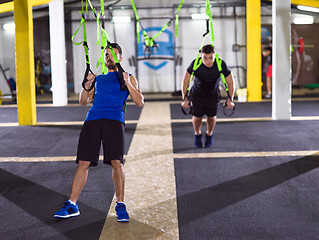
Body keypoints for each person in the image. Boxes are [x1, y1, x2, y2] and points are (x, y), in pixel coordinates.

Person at [53, 43, 144, 222]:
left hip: (114, 120)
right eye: (106, 54)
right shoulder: (99, 78)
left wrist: (127, 83)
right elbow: (83, 102)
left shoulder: (129, 77)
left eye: (112, 54)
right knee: (83, 162)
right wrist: (87, 86)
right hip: (92, 120)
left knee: (117, 162)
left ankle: (120, 205)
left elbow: (139, 101)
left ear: (120, 58)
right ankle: (72, 204)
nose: (108, 57)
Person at [181, 44, 235, 148]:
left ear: (214, 55)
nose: (207, 61)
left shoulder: (220, 64)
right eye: (204, 58)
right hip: (197, 94)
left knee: (211, 117)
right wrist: (185, 98)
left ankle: (209, 134)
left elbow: (231, 82)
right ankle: (197, 133)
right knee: (197, 117)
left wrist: (230, 99)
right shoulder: (196, 63)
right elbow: (186, 81)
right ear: (201, 56)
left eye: (210, 58)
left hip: (213, 94)